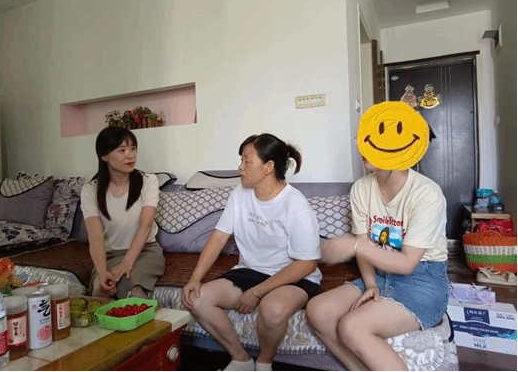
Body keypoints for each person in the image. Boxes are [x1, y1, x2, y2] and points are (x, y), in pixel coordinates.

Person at [306, 101, 449, 371]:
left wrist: (353, 245)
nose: (363, 148)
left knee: (352, 326)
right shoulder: (361, 189)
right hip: (381, 275)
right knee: (317, 311)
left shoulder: (427, 194)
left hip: (423, 280)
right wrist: (371, 283)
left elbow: (407, 263)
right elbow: (365, 245)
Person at [181, 133, 322, 372]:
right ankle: (241, 359)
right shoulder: (240, 193)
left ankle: (264, 363)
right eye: (241, 160)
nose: (240, 167)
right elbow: (218, 237)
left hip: (293, 275)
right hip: (251, 270)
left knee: (272, 308)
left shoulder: (295, 204)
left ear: (268, 167)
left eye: (247, 161)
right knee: (196, 299)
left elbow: (306, 264)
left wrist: (257, 292)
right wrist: (195, 278)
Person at [81, 126, 165, 299]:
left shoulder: (148, 181)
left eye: (133, 148)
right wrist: (102, 272)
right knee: (100, 291)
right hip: (110, 255)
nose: (130, 155)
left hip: (145, 251)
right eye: (122, 150)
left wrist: (127, 263)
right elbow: (95, 236)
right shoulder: (90, 190)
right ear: (104, 156)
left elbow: (145, 226)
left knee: (135, 292)